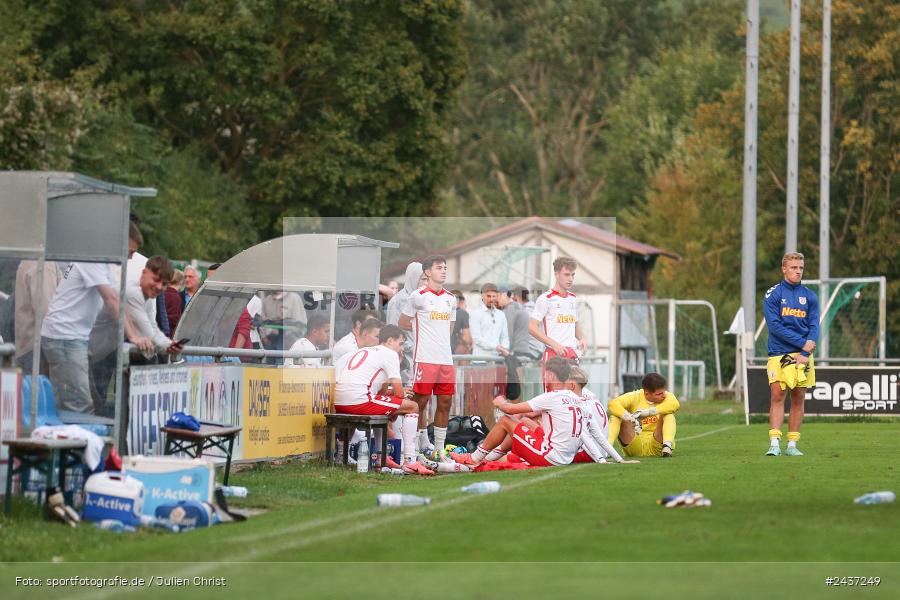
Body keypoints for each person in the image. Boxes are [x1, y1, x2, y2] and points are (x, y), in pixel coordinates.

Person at [334, 325, 433, 475]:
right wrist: (396, 399)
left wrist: (392, 398)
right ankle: (410, 461)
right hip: (360, 400)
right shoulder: (389, 354)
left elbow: (381, 392)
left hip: (340, 401)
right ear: (390, 341)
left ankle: (373, 458)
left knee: (383, 407)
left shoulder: (365, 350)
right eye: (400, 344)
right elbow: (399, 393)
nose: (401, 349)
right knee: (412, 406)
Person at [463, 356, 584, 467]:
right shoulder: (574, 397)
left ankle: (475, 458)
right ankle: (491, 456)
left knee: (505, 420)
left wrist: (500, 402)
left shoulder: (552, 396)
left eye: (545, 373)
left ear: (551, 375)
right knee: (524, 421)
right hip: (566, 456)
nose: (544, 377)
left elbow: (509, 410)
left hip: (550, 456)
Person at [41, 262, 124, 413]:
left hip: (71, 337)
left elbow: (116, 300)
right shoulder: (92, 262)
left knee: (81, 402)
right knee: (79, 405)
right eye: (129, 251)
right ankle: (78, 435)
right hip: (66, 336)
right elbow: (111, 300)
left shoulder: (101, 264)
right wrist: (133, 335)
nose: (130, 256)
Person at [399, 255, 456, 461]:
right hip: (424, 358)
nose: (443, 271)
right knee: (420, 402)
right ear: (428, 272)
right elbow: (403, 321)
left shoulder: (451, 298)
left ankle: (439, 450)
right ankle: (412, 451)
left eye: (445, 267)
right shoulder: (418, 296)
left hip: (445, 360)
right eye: (439, 267)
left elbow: (450, 325)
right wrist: (420, 330)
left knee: (445, 402)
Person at [763, 252, 819, 457]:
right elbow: (775, 327)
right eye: (794, 267)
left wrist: (805, 351)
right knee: (777, 395)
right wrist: (803, 343)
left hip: (803, 355)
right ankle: (774, 444)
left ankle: (793, 445)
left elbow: (814, 326)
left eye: (801, 268)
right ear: (784, 269)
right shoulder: (773, 295)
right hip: (779, 353)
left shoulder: (810, 296)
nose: (798, 271)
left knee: (799, 396)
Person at [529, 257, 585, 392]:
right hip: (554, 356)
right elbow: (531, 327)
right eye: (567, 274)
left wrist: (582, 339)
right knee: (553, 399)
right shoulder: (545, 299)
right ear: (556, 274)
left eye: (573, 275)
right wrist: (554, 344)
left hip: (571, 355)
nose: (570, 279)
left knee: (573, 397)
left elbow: (575, 324)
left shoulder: (573, 298)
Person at [125, 256, 186, 363]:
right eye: (156, 280)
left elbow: (152, 327)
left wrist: (168, 344)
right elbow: (148, 332)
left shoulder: (147, 296)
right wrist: (167, 344)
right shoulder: (133, 292)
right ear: (144, 272)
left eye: (165, 284)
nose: (159, 287)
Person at [567, 367, 634, 464]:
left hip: (587, 452)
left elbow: (584, 437)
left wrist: (600, 460)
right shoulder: (587, 399)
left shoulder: (572, 403)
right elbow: (598, 436)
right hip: (600, 451)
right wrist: (619, 459)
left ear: (572, 385)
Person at [607, 372, 680, 458]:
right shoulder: (635, 396)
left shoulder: (666, 396)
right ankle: (607, 449)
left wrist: (648, 412)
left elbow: (675, 404)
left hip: (657, 443)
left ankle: (667, 447)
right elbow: (612, 404)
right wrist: (629, 417)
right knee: (616, 416)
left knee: (668, 414)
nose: (663, 395)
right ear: (646, 393)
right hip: (636, 443)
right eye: (659, 394)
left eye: (664, 391)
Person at [14, 260, 62, 375]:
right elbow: (47, 313)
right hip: (39, 351)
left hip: (30, 348)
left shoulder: (29, 261)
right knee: (41, 391)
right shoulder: (42, 265)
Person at [469, 283, 510, 358]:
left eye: (493, 296)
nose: (491, 299)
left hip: (498, 359)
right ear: (482, 296)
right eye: (488, 296)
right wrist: (496, 347)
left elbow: (505, 336)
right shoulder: (476, 314)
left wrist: (504, 348)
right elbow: (477, 339)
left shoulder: (501, 314)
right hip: (480, 360)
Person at [451, 289, 473, 355]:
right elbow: (467, 338)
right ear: (461, 301)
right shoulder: (462, 313)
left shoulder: (441, 314)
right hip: (455, 352)